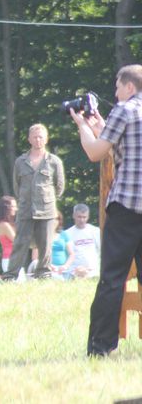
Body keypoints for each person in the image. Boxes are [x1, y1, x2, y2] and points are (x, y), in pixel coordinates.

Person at [70, 64, 142, 357]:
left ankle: (101, 347)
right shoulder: (123, 114)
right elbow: (122, 147)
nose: (115, 93)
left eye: (117, 87)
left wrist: (83, 126)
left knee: (113, 279)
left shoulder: (124, 111)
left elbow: (96, 152)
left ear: (129, 87)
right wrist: (102, 126)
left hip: (126, 206)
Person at [5, 124, 65, 279]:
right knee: (20, 243)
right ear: (29, 139)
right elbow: (16, 186)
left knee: (45, 245)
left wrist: (47, 199)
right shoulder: (20, 162)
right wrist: (26, 199)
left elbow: (59, 187)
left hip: (47, 211)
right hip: (25, 209)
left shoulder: (54, 161)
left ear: (46, 139)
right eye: (35, 137)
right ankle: (11, 275)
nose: (38, 140)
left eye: (41, 137)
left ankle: (43, 273)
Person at [64, 203, 101, 279]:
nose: (82, 220)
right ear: (74, 216)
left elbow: (101, 250)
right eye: (79, 217)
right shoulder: (67, 234)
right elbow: (67, 255)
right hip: (73, 272)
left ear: (88, 217)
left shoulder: (95, 231)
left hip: (93, 271)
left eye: (84, 217)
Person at [0, 196, 17, 273]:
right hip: (9, 259)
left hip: (14, 258)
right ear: (6, 208)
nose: (16, 209)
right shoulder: (3, 225)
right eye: (13, 206)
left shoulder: (10, 224)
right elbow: (16, 240)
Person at [50, 210, 75, 279]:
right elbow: (35, 258)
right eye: (51, 219)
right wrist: (49, 266)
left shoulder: (64, 235)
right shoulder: (42, 236)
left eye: (56, 219)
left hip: (63, 270)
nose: (54, 222)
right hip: (48, 269)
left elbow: (71, 254)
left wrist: (65, 266)